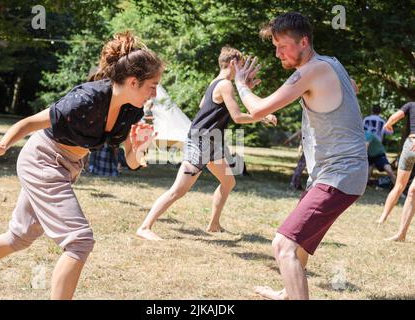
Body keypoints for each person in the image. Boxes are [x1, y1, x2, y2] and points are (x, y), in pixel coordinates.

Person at [0, 31, 163, 299]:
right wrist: (2, 146)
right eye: (152, 85)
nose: (155, 92)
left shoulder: (131, 111)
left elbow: (131, 161)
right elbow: (30, 123)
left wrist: (140, 148)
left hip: (68, 166)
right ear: (132, 81)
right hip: (43, 158)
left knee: (18, 237)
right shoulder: (86, 99)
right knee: (80, 242)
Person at [234, 12, 367, 300]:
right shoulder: (330, 63)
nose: (278, 53)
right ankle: (287, 292)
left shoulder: (313, 70)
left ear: (304, 41)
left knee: (283, 245)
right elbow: (351, 88)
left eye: (283, 46)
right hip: (334, 173)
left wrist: (241, 84)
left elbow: (258, 111)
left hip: (339, 174)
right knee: (301, 244)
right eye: (275, 46)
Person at [136, 46, 277, 240]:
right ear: (233, 63)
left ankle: (214, 224)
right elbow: (237, 117)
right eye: (242, 66)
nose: (243, 71)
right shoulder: (225, 85)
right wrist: (261, 116)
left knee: (228, 181)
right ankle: (145, 227)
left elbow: (204, 104)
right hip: (201, 141)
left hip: (212, 142)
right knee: (178, 190)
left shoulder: (217, 83)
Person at [376, 101, 415, 241]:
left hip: (410, 144)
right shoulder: (411, 105)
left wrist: (388, 125)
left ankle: (384, 219)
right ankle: (388, 223)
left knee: (406, 189)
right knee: (405, 188)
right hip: (411, 146)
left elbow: (394, 117)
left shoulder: (411, 105)